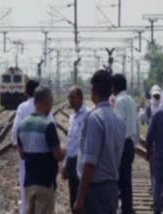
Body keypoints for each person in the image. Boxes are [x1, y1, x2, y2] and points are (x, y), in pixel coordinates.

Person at [74, 70, 125, 214]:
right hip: (112, 189)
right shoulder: (119, 120)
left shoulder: (94, 119)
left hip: (95, 191)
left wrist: (80, 198)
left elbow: (90, 162)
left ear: (93, 90)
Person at [17, 85, 66, 214]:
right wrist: (64, 147)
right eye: (51, 102)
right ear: (47, 102)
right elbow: (59, 156)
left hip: (28, 182)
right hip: (45, 182)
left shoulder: (22, 125)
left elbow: (22, 155)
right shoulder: (48, 125)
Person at [12, 80, 54, 214]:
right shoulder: (46, 108)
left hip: (27, 159)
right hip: (45, 161)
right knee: (44, 199)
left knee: (27, 195)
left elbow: (15, 132)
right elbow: (52, 129)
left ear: (26, 92)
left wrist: (20, 147)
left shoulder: (22, 107)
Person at [112, 74, 139, 214]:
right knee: (126, 179)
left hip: (122, 144)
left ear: (114, 87)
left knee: (118, 179)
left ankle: (122, 208)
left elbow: (119, 125)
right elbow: (137, 124)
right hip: (130, 143)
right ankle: (127, 208)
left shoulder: (119, 101)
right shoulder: (131, 100)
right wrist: (135, 143)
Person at [61, 86, 90, 211]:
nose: (70, 100)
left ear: (81, 98)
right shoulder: (72, 117)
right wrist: (65, 163)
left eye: (73, 97)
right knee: (73, 197)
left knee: (83, 199)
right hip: (72, 161)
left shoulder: (88, 115)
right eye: (69, 97)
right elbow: (70, 141)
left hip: (82, 162)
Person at [146, 89, 163, 214]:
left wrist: (148, 150)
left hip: (159, 154)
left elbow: (149, 136)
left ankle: (157, 209)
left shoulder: (157, 114)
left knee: (158, 182)